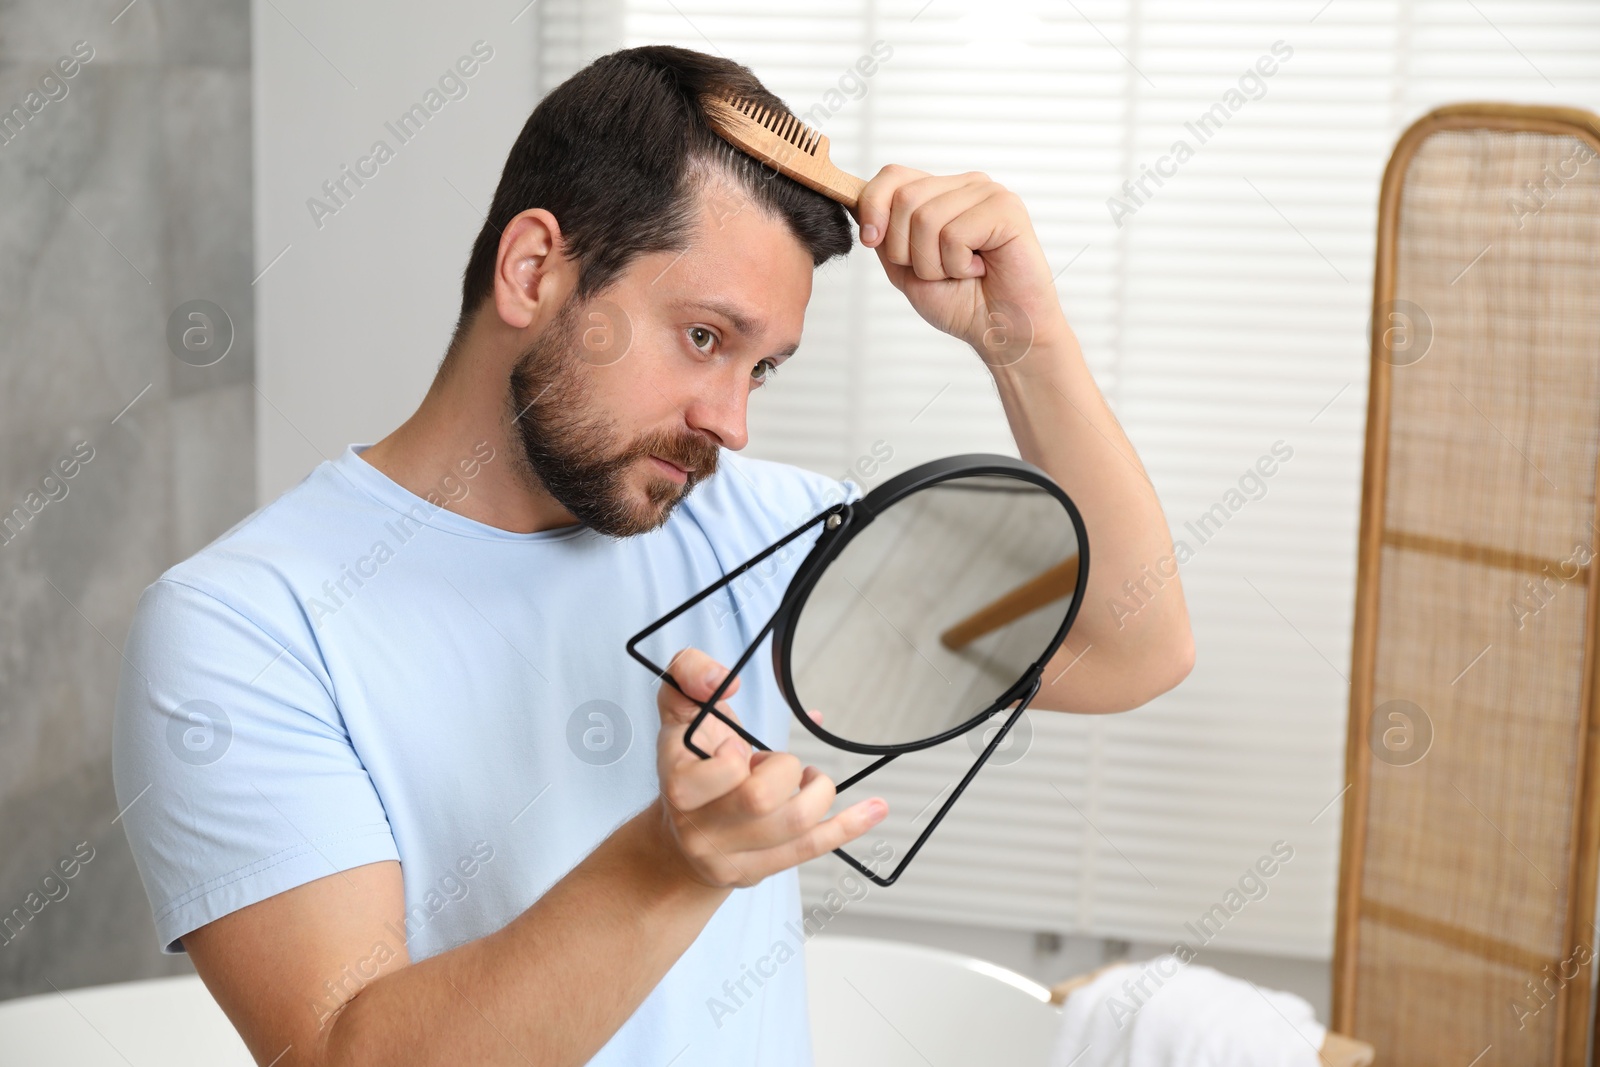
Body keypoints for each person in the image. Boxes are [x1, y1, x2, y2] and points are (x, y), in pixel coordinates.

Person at [111, 44, 1193, 1067]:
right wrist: (672, 861)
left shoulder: (757, 528)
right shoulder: (245, 624)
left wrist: (1027, 343)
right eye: (705, 338)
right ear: (533, 269)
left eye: (760, 368)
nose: (730, 422)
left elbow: (1129, 646)